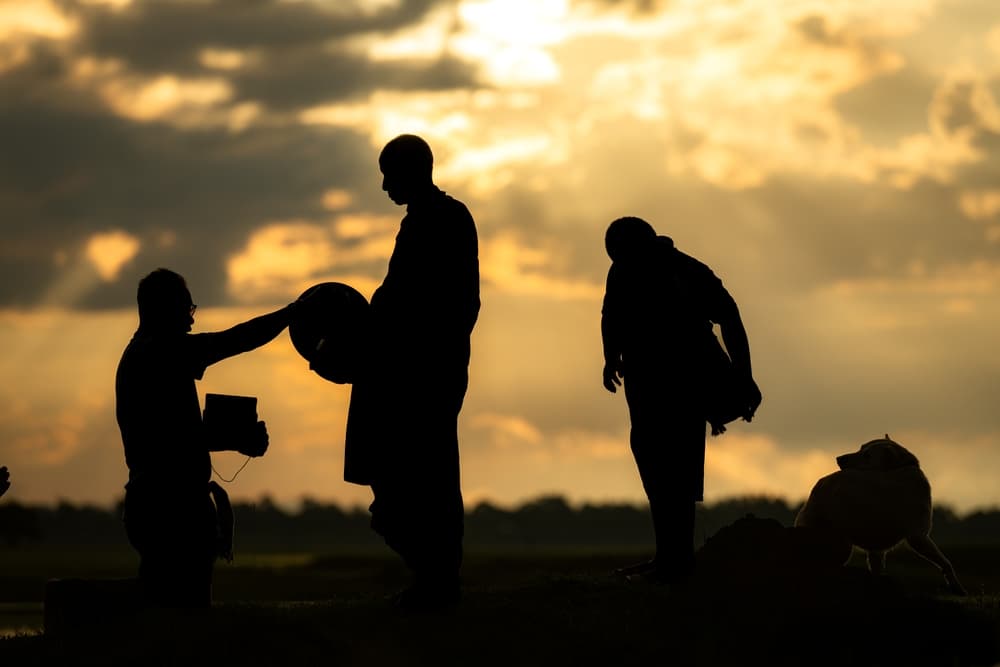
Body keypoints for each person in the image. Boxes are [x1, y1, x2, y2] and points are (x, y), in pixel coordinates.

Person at [311, 134, 480, 610]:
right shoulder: (429, 220)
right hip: (414, 370)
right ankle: (435, 579)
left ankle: (438, 582)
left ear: (413, 171)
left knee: (421, 484)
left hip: (422, 376)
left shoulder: (443, 220)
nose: (384, 186)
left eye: (389, 174)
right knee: (410, 484)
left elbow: (444, 306)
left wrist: (385, 347)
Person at [116, 268, 300, 607]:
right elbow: (235, 340)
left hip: (158, 504)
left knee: (169, 609)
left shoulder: (146, 356)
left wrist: (234, 438)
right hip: (169, 508)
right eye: (186, 310)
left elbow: (176, 439)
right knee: (183, 615)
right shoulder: (159, 353)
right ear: (163, 308)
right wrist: (291, 314)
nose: (190, 321)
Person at [600, 217, 762, 584]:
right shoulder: (621, 270)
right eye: (615, 256)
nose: (620, 262)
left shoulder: (687, 271)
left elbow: (729, 317)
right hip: (643, 384)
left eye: (624, 254)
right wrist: (610, 357)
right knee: (654, 468)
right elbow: (611, 315)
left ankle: (677, 564)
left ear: (646, 244)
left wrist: (743, 375)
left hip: (685, 384)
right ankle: (669, 558)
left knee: (677, 470)